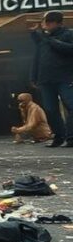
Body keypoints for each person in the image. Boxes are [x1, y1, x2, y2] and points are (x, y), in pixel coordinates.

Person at [30, 10, 73, 148]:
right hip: (46, 79)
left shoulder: (68, 34)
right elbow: (37, 58)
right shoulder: (43, 39)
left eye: (48, 22)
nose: (45, 25)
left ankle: (71, 137)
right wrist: (34, 76)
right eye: (44, 22)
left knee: (71, 106)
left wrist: (50, 40)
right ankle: (59, 136)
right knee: (50, 109)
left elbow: (69, 49)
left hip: (65, 77)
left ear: (57, 23)